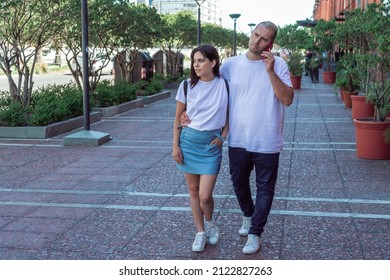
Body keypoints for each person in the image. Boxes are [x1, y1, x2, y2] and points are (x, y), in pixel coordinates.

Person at [181, 21, 294, 254]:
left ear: (270, 44)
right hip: (238, 140)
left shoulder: (279, 65)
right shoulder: (232, 65)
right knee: (239, 184)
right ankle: (248, 215)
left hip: (268, 140)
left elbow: (287, 99)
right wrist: (186, 110)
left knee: (265, 189)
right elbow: (207, 84)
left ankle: (255, 233)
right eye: (255, 35)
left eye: (263, 39)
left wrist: (270, 71)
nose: (257, 41)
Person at [172, 44, 229, 253]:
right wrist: (175, 146)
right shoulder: (187, 85)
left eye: (201, 60)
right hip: (189, 142)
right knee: (193, 190)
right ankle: (200, 231)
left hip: (211, 145)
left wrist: (223, 136)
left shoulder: (225, 85)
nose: (196, 65)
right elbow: (178, 117)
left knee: (205, 195)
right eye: (194, 61)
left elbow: (231, 114)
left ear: (213, 62)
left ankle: (210, 222)